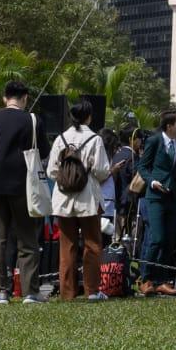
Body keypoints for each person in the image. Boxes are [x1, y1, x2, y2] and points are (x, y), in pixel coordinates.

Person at [0, 79, 41, 304]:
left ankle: (1, 290)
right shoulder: (31, 121)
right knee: (27, 239)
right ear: (25, 98)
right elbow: (43, 150)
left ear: (5, 98)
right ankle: (30, 291)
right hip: (23, 186)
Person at [48, 99, 110, 302]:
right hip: (87, 197)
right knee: (92, 244)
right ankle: (92, 290)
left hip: (63, 198)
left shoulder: (60, 139)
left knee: (67, 246)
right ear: (89, 116)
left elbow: (51, 171)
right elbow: (101, 171)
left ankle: (67, 293)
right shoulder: (95, 139)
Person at [136, 110, 176, 295]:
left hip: (172, 196)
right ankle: (146, 278)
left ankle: (162, 280)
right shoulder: (155, 141)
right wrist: (151, 181)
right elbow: (142, 166)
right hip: (155, 196)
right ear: (169, 126)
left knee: (169, 240)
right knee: (156, 238)